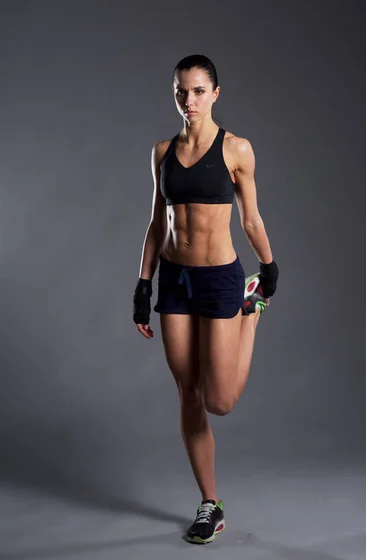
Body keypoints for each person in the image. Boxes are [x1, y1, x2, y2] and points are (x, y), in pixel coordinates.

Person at [133, 54, 279, 544]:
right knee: (188, 393)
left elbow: (250, 219)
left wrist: (269, 264)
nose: (188, 100)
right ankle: (209, 505)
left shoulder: (236, 149)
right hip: (175, 281)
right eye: (180, 91)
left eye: (197, 91)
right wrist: (143, 284)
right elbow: (158, 225)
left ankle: (251, 311)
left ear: (215, 93)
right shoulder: (161, 152)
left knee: (220, 400)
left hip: (220, 280)